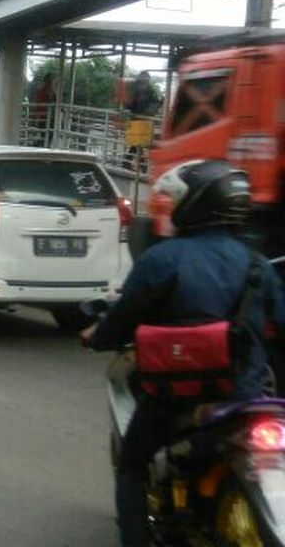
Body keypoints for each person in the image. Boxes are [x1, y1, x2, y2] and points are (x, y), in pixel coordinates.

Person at [81, 160, 285, 547]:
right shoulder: (258, 265)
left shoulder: (162, 258)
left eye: (176, 199)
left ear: (197, 204)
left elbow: (123, 318)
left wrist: (96, 336)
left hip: (173, 399)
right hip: (242, 397)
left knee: (131, 465)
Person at [30, 73, 56, 147]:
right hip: (43, 116)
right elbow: (39, 104)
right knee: (45, 134)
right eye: (49, 81)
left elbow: (55, 100)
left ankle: (46, 145)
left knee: (49, 133)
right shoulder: (42, 91)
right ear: (46, 81)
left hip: (48, 116)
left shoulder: (49, 91)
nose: (50, 82)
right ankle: (43, 145)